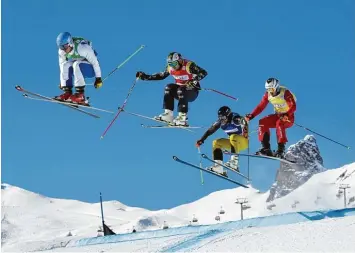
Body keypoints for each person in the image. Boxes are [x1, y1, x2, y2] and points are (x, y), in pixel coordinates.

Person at [136, 52, 208, 126]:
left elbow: (203, 72)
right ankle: (168, 115)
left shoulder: (189, 66)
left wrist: (193, 81)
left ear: (179, 61)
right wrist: (146, 77)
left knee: (181, 89)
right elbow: (161, 76)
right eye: (170, 64)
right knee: (168, 87)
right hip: (180, 91)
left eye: (174, 64)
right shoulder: (170, 68)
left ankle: (182, 118)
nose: (172, 66)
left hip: (192, 91)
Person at [245, 78, 297, 158]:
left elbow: (293, 106)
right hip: (278, 115)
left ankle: (281, 150)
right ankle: (266, 149)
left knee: (279, 123)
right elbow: (260, 107)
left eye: (272, 89)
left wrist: (286, 114)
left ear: (276, 87)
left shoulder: (285, 92)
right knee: (263, 122)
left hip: (288, 117)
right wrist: (251, 115)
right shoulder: (268, 95)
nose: (270, 91)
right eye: (268, 89)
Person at [196, 106, 249, 176]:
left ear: (228, 115)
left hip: (243, 142)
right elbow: (210, 131)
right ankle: (218, 168)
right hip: (233, 144)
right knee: (216, 142)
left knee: (233, 136)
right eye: (220, 117)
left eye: (223, 117)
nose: (222, 119)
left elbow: (243, 120)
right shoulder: (220, 122)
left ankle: (234, 163)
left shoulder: (234, 118)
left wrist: (245, 126)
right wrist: (202, 139)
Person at [54, 32, 103, 105]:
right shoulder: (62, 51)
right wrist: (62, 82)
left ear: (70, 43)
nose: (63, 49)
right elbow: (61, 65)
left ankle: (80, 96)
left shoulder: (82, 48)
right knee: (65, 65)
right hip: (78, 66)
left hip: (90, 68)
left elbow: (95, 63)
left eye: (64, 46)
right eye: (61, 47)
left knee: (76, 64)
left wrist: (98, 78)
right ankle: (67, 93)